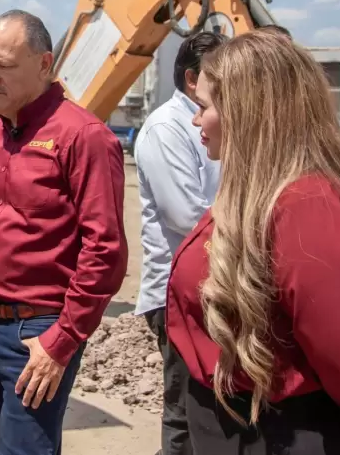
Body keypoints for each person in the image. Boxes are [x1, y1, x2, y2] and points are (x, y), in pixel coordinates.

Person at [166, 30, 340, 454]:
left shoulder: (306, 206)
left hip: (281, 433)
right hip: (237, 422)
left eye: (204, 107)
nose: (195, 121)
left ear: (248, 114)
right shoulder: (256, 195)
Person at [0, 9, 129, 455]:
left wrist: (61, 341)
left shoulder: (84, 138)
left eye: (3, 66)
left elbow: (105, 252)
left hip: (35, 331)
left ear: (44, 64)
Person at [133, 31, 226, 455]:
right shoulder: (165, 128)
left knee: (208, 409)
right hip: (178, 295)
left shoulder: (218, 125)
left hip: (213, 287)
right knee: (186, 414)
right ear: (193, 79)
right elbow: (188, 216)